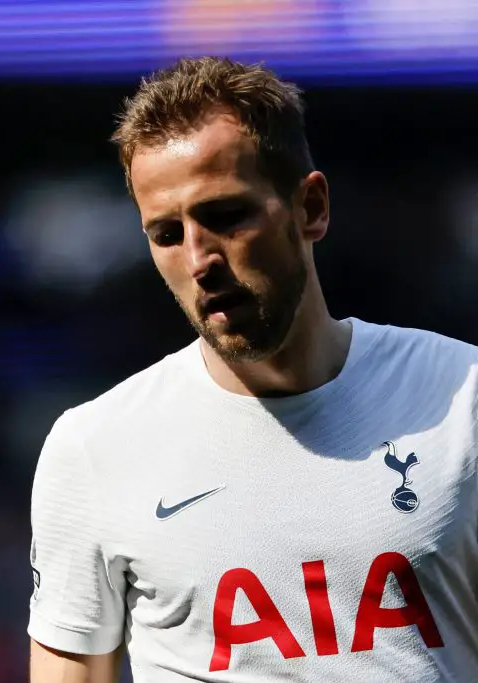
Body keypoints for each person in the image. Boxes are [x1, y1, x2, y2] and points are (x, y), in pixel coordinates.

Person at [27, 56, 478, 682]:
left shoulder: (464, 400)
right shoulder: (93, 449)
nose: (198, 257)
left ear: (311, 208)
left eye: (225, 215)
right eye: (165, 233)